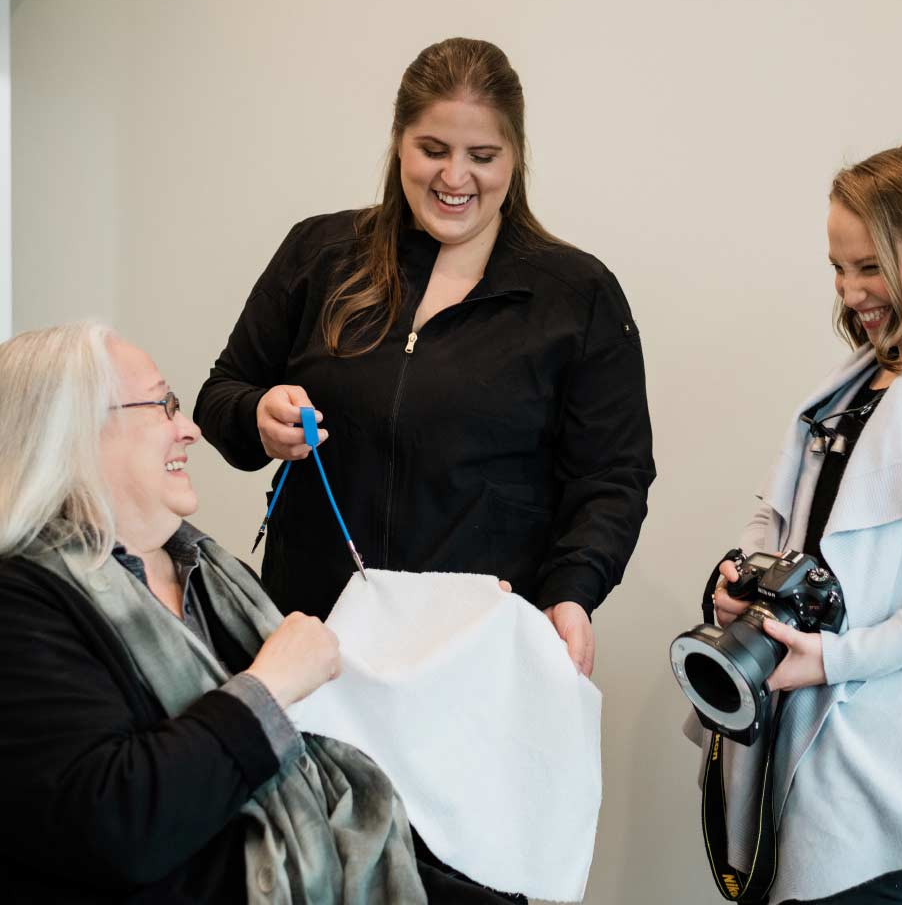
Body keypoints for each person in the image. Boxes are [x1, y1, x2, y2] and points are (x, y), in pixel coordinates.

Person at [0, 321, 517, 904]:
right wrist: (266, 687)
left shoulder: (214, 577)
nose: (190, 428)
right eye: (163, 405)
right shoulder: (20, 603)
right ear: (70, 432)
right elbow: (117, 829)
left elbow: (327, 763)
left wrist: (452, 633)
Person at [194, 37, 655, 679]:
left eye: (482, 156)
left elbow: (612, 475)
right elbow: (222, 395)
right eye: (432, 150)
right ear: (399, 142)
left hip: (474, 653)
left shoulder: (577, 296)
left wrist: (574, 589)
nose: (455, 178)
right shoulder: (319, 253)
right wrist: (256, 415)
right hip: (314, 646)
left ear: (515, 157)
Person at [698, 141, 902, 904]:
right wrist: (736, 585)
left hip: (870, 738)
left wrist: (839, 658)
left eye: (870, 267)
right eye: (839, 266)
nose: (849, 289)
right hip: (798, 722)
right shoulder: (868, 370)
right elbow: (780, 515)